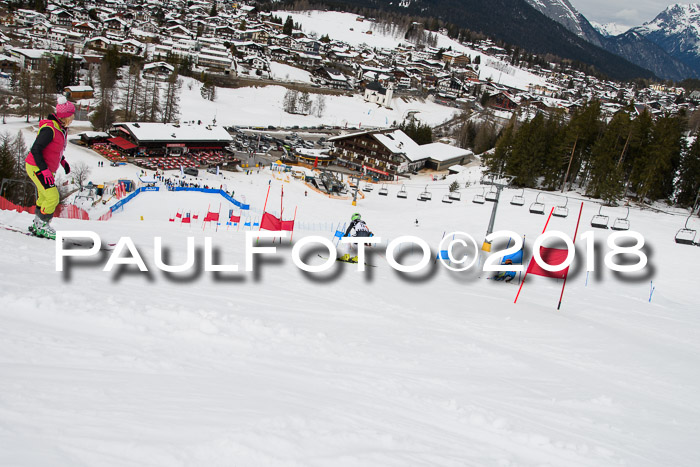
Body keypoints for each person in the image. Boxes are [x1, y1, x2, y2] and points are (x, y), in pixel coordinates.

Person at [26, 96, 76, 239]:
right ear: (65, 116)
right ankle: (43, 225)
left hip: (45, 167)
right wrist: (44, 170)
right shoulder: (49, 129)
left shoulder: (60, 128)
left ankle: (37, 223)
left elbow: (53, 149)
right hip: (37, 166)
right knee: (52, 197)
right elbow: (36, 149)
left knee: (44, 197)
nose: (72, 118)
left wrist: (63, 161)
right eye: (71, 115)